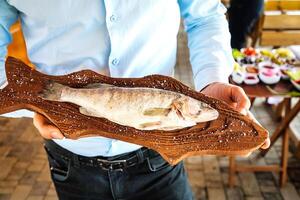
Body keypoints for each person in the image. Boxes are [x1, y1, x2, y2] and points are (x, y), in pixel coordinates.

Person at [0, 1, 270, 199]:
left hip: (159, 156)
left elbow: (204, 16)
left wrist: (213, 80)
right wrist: (33, 107)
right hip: (70, 161)